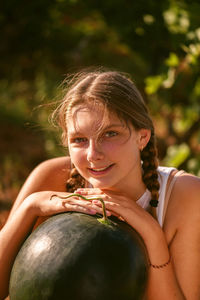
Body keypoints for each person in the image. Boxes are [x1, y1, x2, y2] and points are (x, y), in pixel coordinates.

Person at [0, 69, 200, 300]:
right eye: (80, 140)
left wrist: (151, 234)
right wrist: (30, 206)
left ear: (142, 137)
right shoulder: (52, 178)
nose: (93, 154)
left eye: (110, 134)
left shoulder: (185, 195)